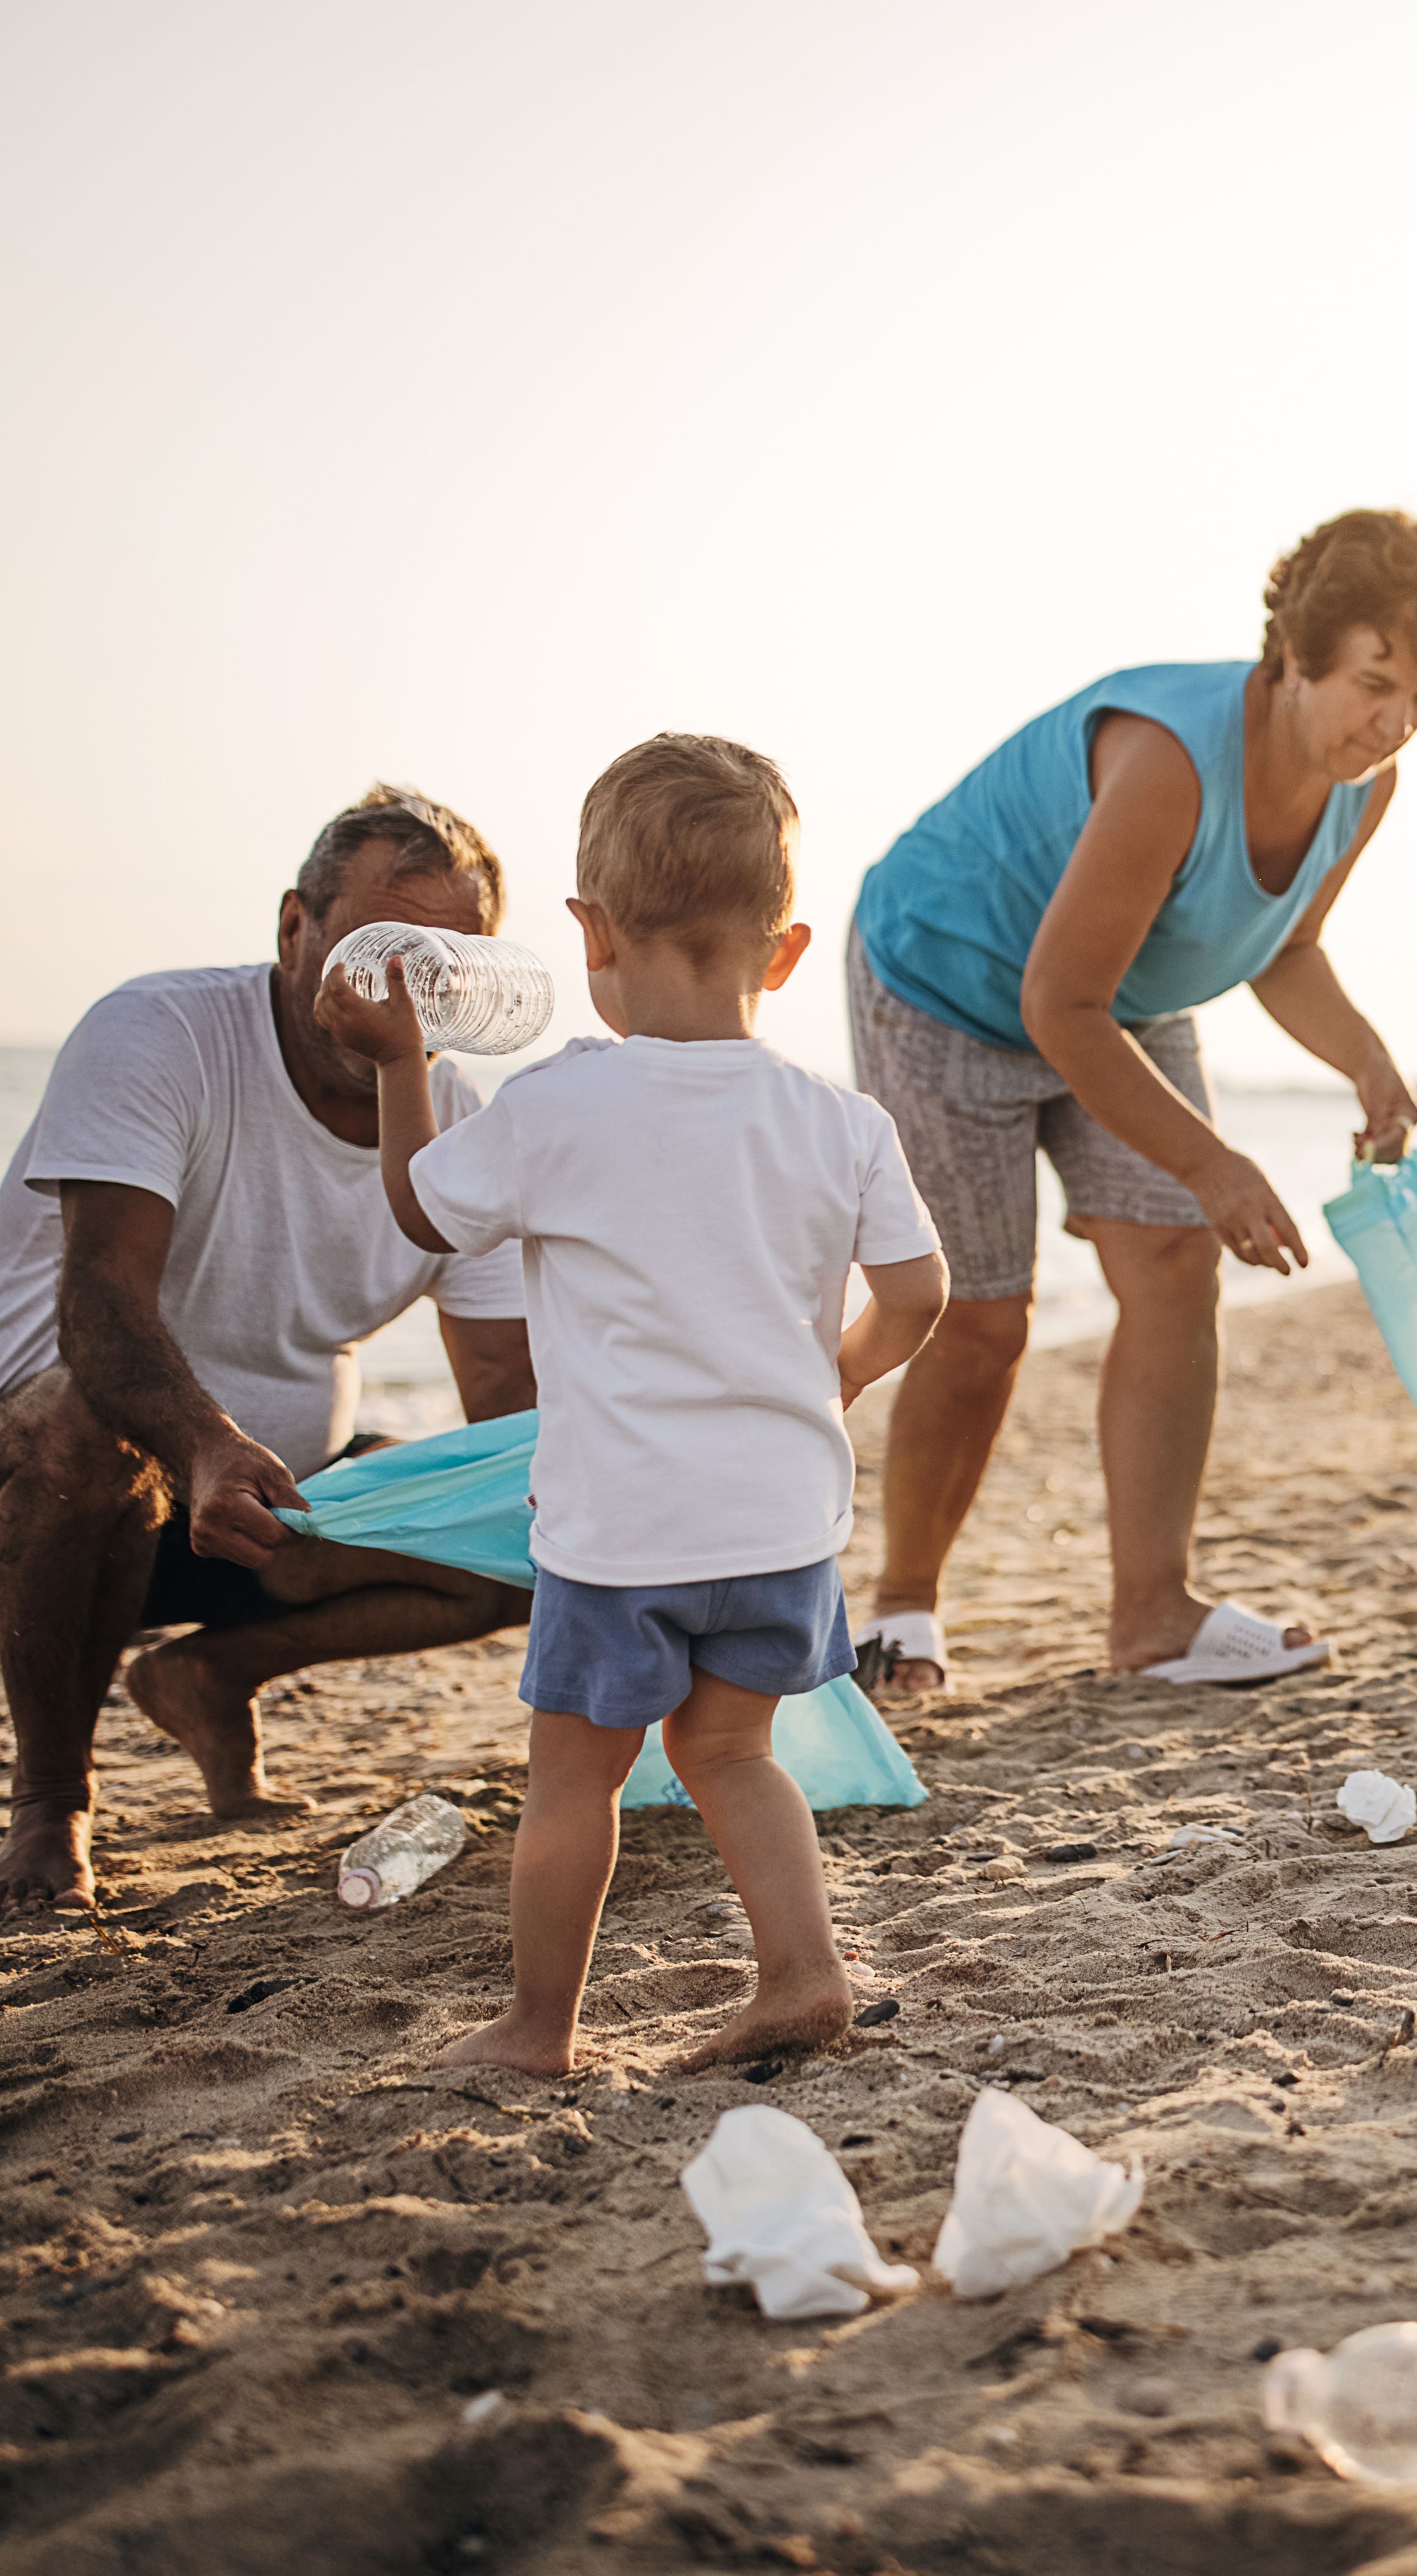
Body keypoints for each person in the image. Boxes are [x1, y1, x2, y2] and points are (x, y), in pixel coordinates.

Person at [328, 735, 949, 2073]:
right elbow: (919, 1294)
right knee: (733, 1755)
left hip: (621, 1534)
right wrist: (833, 1373)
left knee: (574, 1784)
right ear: (780, 955)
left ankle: (538, 2027)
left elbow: (419, 1206)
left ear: (590, 934)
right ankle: (802, 1970)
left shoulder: (561, 1106)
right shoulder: (841, 1126)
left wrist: (398, 1063)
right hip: (781, 1525)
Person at [841, 509, 1417, 1695]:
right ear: (1292, 656)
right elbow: (1057, 1002)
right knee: (981, 1319)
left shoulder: (1364, 780)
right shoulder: (1169, 762)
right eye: (1372, 684)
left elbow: (1282, 946)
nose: (1394, 722)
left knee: (1173, 1265)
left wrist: (1366, 1059)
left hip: (1114, 994)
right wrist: (1210, 1161)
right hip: (941, 984)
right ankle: (903, 1613)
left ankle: (1150, 1615)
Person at [0, 791, 543, 1919]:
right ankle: (51, 1806)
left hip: (262, 1514)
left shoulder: (460, 1127)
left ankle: (212, 1673)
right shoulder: (162, 1032)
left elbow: (507, 1402)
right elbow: (102, 1303)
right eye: (378, 951)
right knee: (90, 1428)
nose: (399, 994)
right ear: (296, 932)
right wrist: (206, 1444)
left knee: (543, 1526)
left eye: (438, 967)